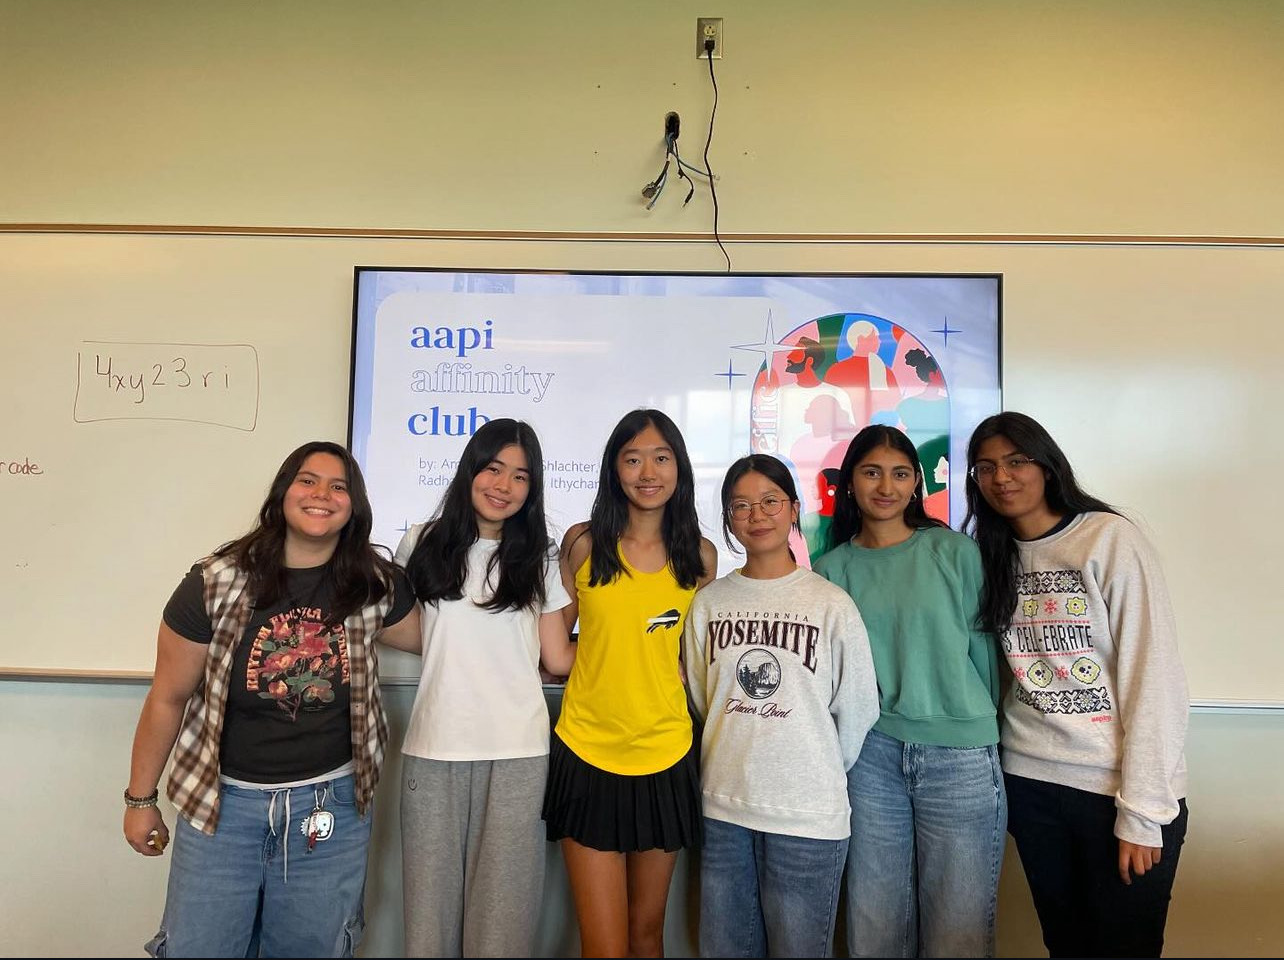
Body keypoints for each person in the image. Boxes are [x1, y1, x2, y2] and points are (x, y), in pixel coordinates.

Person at [122, 441, 420, 958]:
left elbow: (444, 640)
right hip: (221, 809)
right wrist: (140, 800)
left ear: (354, 506)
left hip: (329, 811)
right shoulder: (215, 582)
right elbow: (168, 697)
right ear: (283, 492)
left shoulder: (374, 585)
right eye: (308, 480)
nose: (322, 494)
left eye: (339, 486)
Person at [965, 411, 1189, 959]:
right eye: (986, 467)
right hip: (1032, 785)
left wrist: (1141, 811)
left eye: (1016, 461)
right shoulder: (991, 555)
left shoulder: (1107, 538)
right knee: (1066, 947)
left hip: (1114, 794)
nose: (1002, 478)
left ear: (1047, 465)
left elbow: (1152, 673)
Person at [813, 424, 1005, 958]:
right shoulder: (831, 571)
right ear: (849, 482)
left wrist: (985, 729)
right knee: (875, 926)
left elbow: (984, 652)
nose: (886, 487)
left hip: (961, 757)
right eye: (872, 472)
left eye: (901, 474)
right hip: (871, 758)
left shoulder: (954, 551)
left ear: (916, 484)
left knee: (957, 929)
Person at [683, 454, 879, 958]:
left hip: (807, 816)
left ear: (793, 509)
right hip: (724, 806)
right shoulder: (710, 602)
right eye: (741, 505)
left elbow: (856, 709)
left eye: (770, 501)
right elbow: (705, 700)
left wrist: (811, 768)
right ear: (728, 519)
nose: (757, 514)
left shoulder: (829, 603)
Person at [394, 418, 576, 957]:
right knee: (428, 920)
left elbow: (557, 656)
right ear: (470, 469)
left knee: (502, 923)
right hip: (434, 746)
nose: (503, 485)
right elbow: (405, 629)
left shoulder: (539, 557)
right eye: (493, 468)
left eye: (520, 476)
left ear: (532, 488)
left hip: (518, 751)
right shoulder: (422, 543)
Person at [543, 408, 717, 958]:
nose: (648, 471)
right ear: (613, 469)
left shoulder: (701, 557)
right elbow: (558, 650)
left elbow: (697, 661)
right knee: (604, 943)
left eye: (661, 458)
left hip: (666, 755)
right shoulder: (583, 544)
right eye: (633, 457)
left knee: (647, 937)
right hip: (587, 752)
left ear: (679, 469)